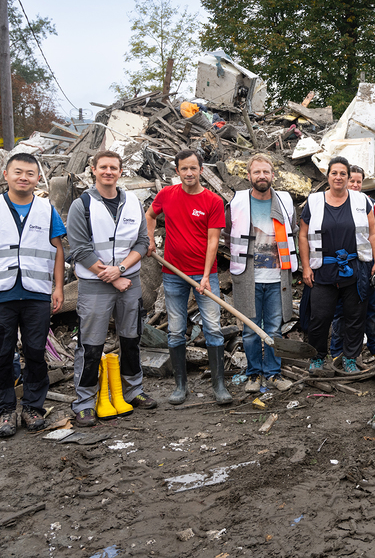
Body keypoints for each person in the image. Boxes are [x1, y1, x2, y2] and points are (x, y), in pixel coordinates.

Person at [0, 153, 66, 438]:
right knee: (0, 354)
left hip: (36, 293)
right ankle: (5, 410)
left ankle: (33, 407)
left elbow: (58, 250)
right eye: (18, 172)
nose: (24, 177)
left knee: (35, 352)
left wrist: (58, 288)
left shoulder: (46, 209)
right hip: (0, 294)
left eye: (30, 173)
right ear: (6, 175)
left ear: (38, 178)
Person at [67, 151, 155, 427]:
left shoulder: (133, 203)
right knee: (91, 345)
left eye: (113, 167)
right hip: (95, 285)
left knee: (131, 339)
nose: (108, 171)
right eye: (103, 167)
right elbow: (79, 249)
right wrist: (113, 277)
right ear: (93, 170)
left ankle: (133, 391)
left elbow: (142, 242)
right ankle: (84, 403)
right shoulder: (82, 205)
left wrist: (122, 268)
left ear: (120, 171)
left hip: (129, 282)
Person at [145, 149, 229, 405]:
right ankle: (180, 386)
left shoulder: (213, 201)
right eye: (184, 168)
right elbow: (150, 215)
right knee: (176, 330)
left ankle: (219, 386)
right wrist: (150, 240)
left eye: (194, 168)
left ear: (201, 170)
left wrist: (205, 276)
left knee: (213, 327)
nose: (189, 173)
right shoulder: (166, 195)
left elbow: (213, 241)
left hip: (205, 275)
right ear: (177, 171)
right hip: (173, 273)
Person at [298, 157, 375, 375]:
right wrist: (306, 267)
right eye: (334, 173)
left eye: (343, 173)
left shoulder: (361, 200)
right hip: (323, 269)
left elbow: (373, 232)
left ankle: (350, 358)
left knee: (355, 316)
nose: (338, 177)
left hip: (355, 268)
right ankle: (318, 357)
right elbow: (303, 235)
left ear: (348, 177)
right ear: (328, 176)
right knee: (320, 317)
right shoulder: (314, 201)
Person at [226, 154, 297, 393]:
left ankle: (273, 374)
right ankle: (254, 374)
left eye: (266, 172)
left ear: (273, 175)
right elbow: (227, 234)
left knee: (275, 329)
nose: (262, 176)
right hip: (248, 277)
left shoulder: (284, 201)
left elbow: (292, 230)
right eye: (257, 172)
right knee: (250, 330)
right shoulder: (238, 202)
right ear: (249, 176)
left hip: (278, 278)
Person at [328, 165, 375, 362]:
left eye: (358, 182)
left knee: (371, 306)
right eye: (351, 180)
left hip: (366, 264)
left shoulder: (369, 203)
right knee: (340, 310)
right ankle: (337, 350)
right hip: (343, 265)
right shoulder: (333, 202)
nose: (354, 185)